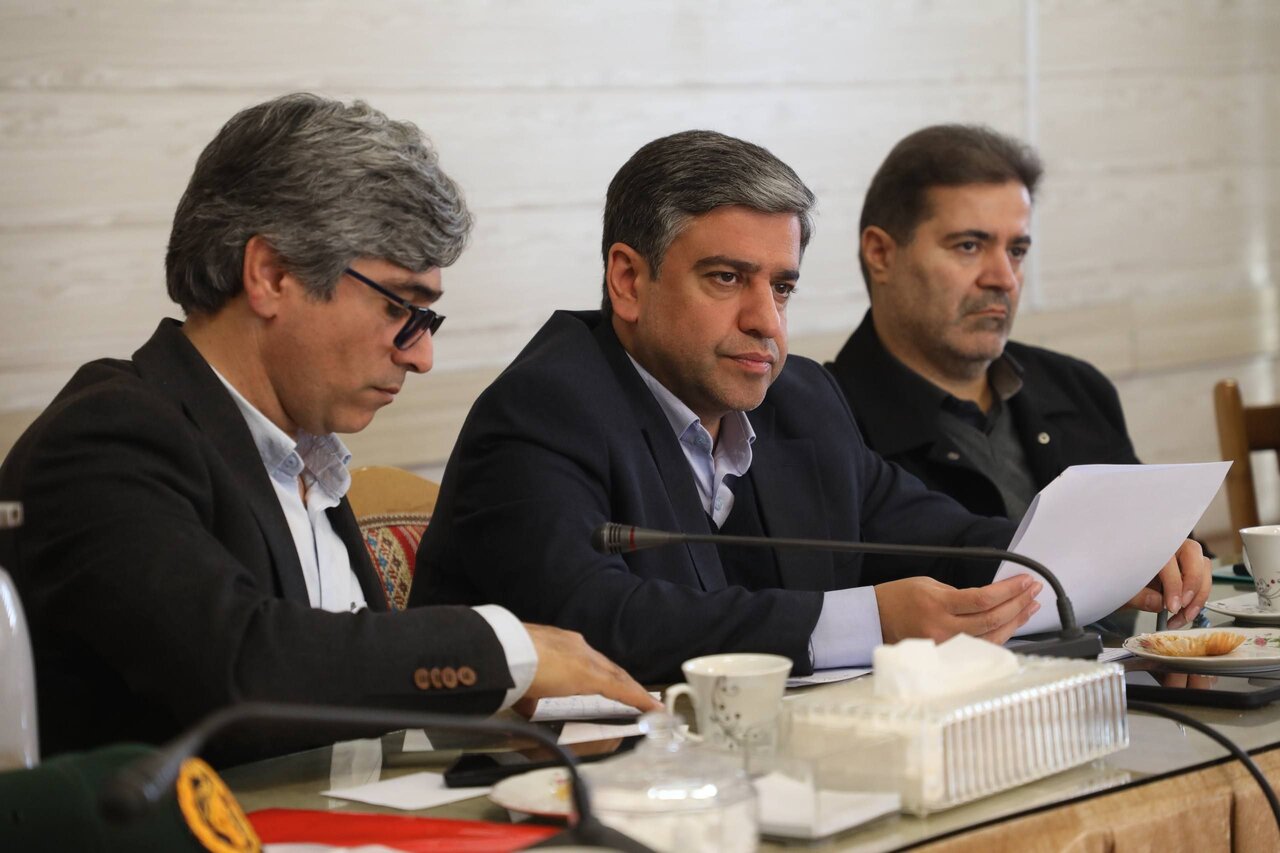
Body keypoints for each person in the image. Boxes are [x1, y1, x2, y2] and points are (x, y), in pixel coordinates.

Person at [413, 129, 1204, 685]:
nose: (766, 321)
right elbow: (599, 620)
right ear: (629, 280)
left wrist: (1107, 556)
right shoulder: (544, 409)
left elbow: (940, 535)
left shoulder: (801, 400)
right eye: (728, 278)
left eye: (782, 286)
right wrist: (870, 620)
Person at [0, 93, 655, 763]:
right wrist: (506, 648)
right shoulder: (105, 439)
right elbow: (241, 671)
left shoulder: (305, 454)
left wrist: (490, 714)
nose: (422, 356)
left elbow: (335, 702)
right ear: (272, 275)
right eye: (401, 308)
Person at [825, 123, 1208, 629]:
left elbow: (1157, 553)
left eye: (1017, 251)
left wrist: (1175, 557)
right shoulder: (823, 425)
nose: (1003, 278)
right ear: (881, 254)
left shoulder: (1077, 387)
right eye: (969, 246)